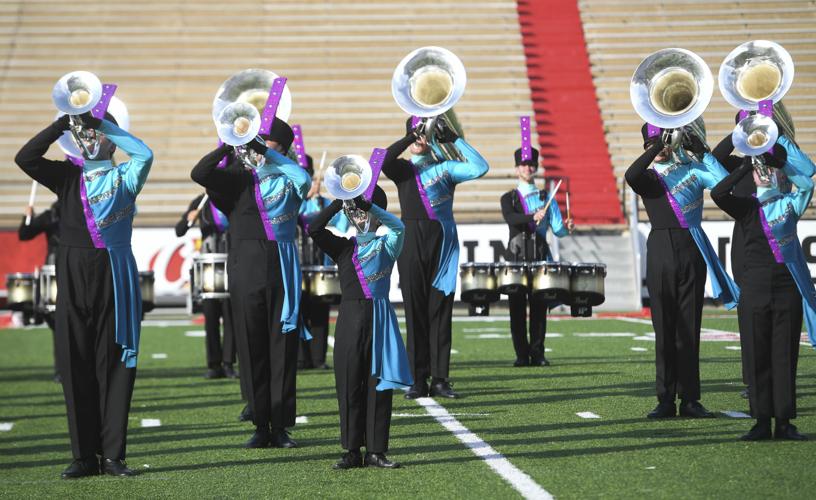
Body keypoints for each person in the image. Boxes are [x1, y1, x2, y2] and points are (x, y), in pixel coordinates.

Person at [15, 110, 153, 478]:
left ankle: (112, 457)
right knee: (75, 363)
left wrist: (104, 127)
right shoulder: (66, 175)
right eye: (86, 135)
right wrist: (63, 125)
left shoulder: (126, 174)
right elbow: (25, 158)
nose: (91, 140)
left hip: (114, 273)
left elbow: (145, 155)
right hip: (73, 275)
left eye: (98, 135)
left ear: (110, 138)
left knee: (115, 364)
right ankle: (83, 456)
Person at [191, 117, 311, 449]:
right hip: (246, 270)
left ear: (282, 149)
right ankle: (261, 424)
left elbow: (303, 177)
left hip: (283, 269)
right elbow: (200, 174)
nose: (258, 147)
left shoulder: (289, 178)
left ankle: (282, 426)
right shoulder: (237, 179)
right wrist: (229, 145)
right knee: (251, 347)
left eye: (266, 143)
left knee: (282, 350)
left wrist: (269, 155)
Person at [625, 122, 739, 419]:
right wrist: (654, 148)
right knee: (663, 329)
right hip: (661, 247)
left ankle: (690, 399)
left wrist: (703, 151)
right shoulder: (649, 177)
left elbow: (724, 183)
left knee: (689, 327)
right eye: (653, 142)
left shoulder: (693, 168)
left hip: (691, 247)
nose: (661, 146)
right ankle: (665, 400)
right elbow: (630, 175)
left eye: (664, 140)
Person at [712, 130, 815, 441]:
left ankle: (784, 421)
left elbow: (808, 177)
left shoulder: (791, 204)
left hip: (786, 286)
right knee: (757, 352)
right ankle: (760, 421)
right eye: (761, 170)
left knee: (784, 354)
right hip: (754, 285)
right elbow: (718, 194)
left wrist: (778, 145)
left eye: (767, 169)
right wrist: (746, 165)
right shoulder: (746, 208)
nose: (764, 172)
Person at [381, 117, 489, 399]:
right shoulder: (403, 170)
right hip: (411, 242)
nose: (419, 139)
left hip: (443, 242)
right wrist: (408, 138)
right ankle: (418, 379)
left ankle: (440, 379)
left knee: (440, 310)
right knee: (415, 310)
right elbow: (379, 161)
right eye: (415, 134)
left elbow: (481, 167)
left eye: (423, 134)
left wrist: (454, 139)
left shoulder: (446, 168)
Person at [308, 185, 412, 469]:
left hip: (380, 317)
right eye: (357, 213)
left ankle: (377, 451)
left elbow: (399, 226)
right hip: (350, 318)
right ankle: (351, 450)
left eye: (365, 213)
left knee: (378, 385)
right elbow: (314, 229)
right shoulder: (343, 248)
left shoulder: (388, 243)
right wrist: (339, 203)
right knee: (349, 383)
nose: (361, 218)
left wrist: (370, 206)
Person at [500, 147, 573, 366]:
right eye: (523, 164)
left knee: (539, 307)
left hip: (540, 256)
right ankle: (521, 355)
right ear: (516, 169)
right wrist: (533, 216)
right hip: (517, 257)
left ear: (536, 167)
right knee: (517, 308)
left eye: (531, 164)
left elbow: (558, 230)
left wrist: (567, 227)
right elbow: (511, 219)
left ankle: (538, 353)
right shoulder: (508, 198)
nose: (528, 168)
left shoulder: (546, 197)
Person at [176, 194, 237, 379]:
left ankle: (228, 363)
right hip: (209, 267)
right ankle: (213, 365)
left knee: (231, 318)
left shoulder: (232, 198)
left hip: (232, 262)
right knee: (210, 318)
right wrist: (189, 219)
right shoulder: (200, 202)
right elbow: (179, 231)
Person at [297, 154, 349, 370]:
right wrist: (306, 198)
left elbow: (344, 226)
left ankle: (318, 359)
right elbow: (297, 220)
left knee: (320, 311)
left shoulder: (325, 202)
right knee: (298, 311)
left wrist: (342, 199)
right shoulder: (294, 200)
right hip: (298, 262)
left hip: (319, 263)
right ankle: (301, 358)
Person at [18, 200, 62, 381]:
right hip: (55, 274)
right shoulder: (51, 214)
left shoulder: (86, 210)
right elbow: (25, 234)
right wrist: (27, 217)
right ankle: (62, 371)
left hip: (77, 270)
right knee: (58, 324)